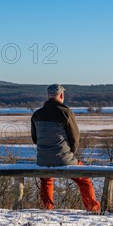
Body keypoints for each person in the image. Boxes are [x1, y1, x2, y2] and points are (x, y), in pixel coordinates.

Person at [30, 84, 100, 212]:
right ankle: (92, 208)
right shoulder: (65, 112)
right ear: (61, 96)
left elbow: (35, 139)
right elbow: (74, 138)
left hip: (43, 159)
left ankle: (46, 209)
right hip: (64, 158)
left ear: (48, 96)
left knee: (46, 179)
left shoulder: (37, 114)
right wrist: (70, 153)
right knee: (84, 179)